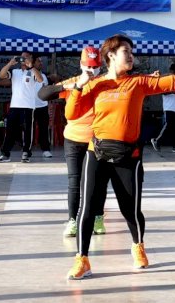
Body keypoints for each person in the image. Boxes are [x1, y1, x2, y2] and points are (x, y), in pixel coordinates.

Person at [64, 34, 175, 280]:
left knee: (130, 209)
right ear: (110, 56)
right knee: (86, 208)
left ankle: (138, 246)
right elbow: (71, 113)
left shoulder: (138, 83)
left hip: (129, 155)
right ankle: (82, 260)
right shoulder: (94, 84)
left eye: (132, 51)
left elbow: (173, 83)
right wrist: (79, 85)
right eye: (126, 51)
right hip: (96, 151)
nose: (131, 56)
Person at [37, 46, 108, 238]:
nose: (92, 71)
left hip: (99, 140)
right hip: (74, 139)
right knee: (74, 181)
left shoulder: (106, 83)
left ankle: (98, 217)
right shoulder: (73, 82)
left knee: (99, 182)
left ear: (101, 67)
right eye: (88, 67)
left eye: (95, 67)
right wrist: (68, 86)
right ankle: (72, 220)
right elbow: (42, 95)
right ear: (81, 65)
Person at [0, 51, 43, 163]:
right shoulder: (15, 71)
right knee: (10, 130)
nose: (24, 59)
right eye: (22, 57)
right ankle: (5, 154)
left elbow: (40, 80)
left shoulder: (33, 72)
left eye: (26, 57)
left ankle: (26, 153)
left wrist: (31, 67)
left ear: (31, 58)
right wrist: (10, 63)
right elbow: (1, 75)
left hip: (28, 106)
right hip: (14, 106)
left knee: (27, 131)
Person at [150, 62, 175, 153]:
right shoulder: (165, 79)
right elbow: (163, 92)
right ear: (171, 71)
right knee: (168, 125)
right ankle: (157, 140)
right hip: (169, 106)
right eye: (174, 72)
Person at [33, 56, 53, 158]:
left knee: (44, 129)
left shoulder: (43, 76)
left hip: (42, 106)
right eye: (38, 61)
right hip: (30, 107)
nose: (40, 63)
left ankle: (45, 149)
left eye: (41, 62)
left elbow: (46, 91)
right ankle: (27, 150)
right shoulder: (26, 74)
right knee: (29, 129)